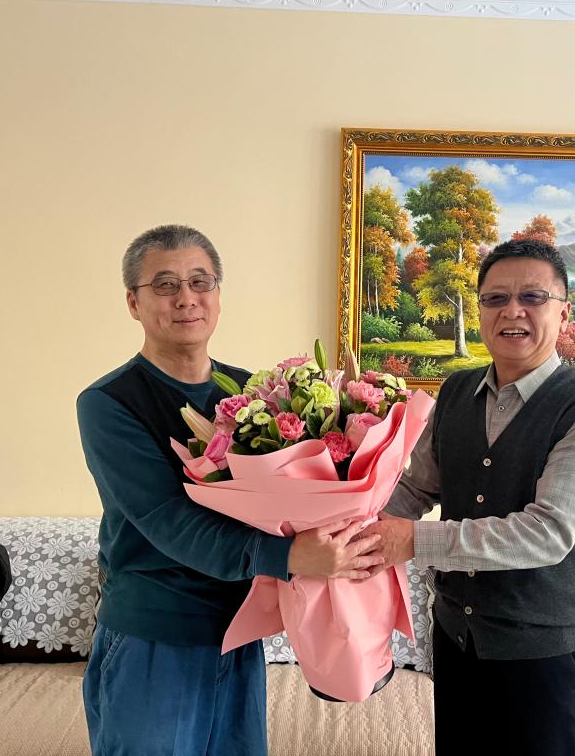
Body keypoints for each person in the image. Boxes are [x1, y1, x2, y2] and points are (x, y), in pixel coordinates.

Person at [76, 224, 383, 756]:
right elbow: (166, 518)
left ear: (217, 294)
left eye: (201, 281)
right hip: (157, 632)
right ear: (133, 302)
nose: (186, 298)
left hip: (238, 630)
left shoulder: (252, 395)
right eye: (165, 285)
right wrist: (291, 556)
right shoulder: (110, 402)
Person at [365, 239, 575, 756]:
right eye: (495, 298)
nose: (512, 311)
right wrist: (352, 532)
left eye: (532, 297)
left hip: (545, 652)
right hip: (456, 637)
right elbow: (418, 486)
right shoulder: (454, 392)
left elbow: (547, 533)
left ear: (564, 312)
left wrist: (412, 541)